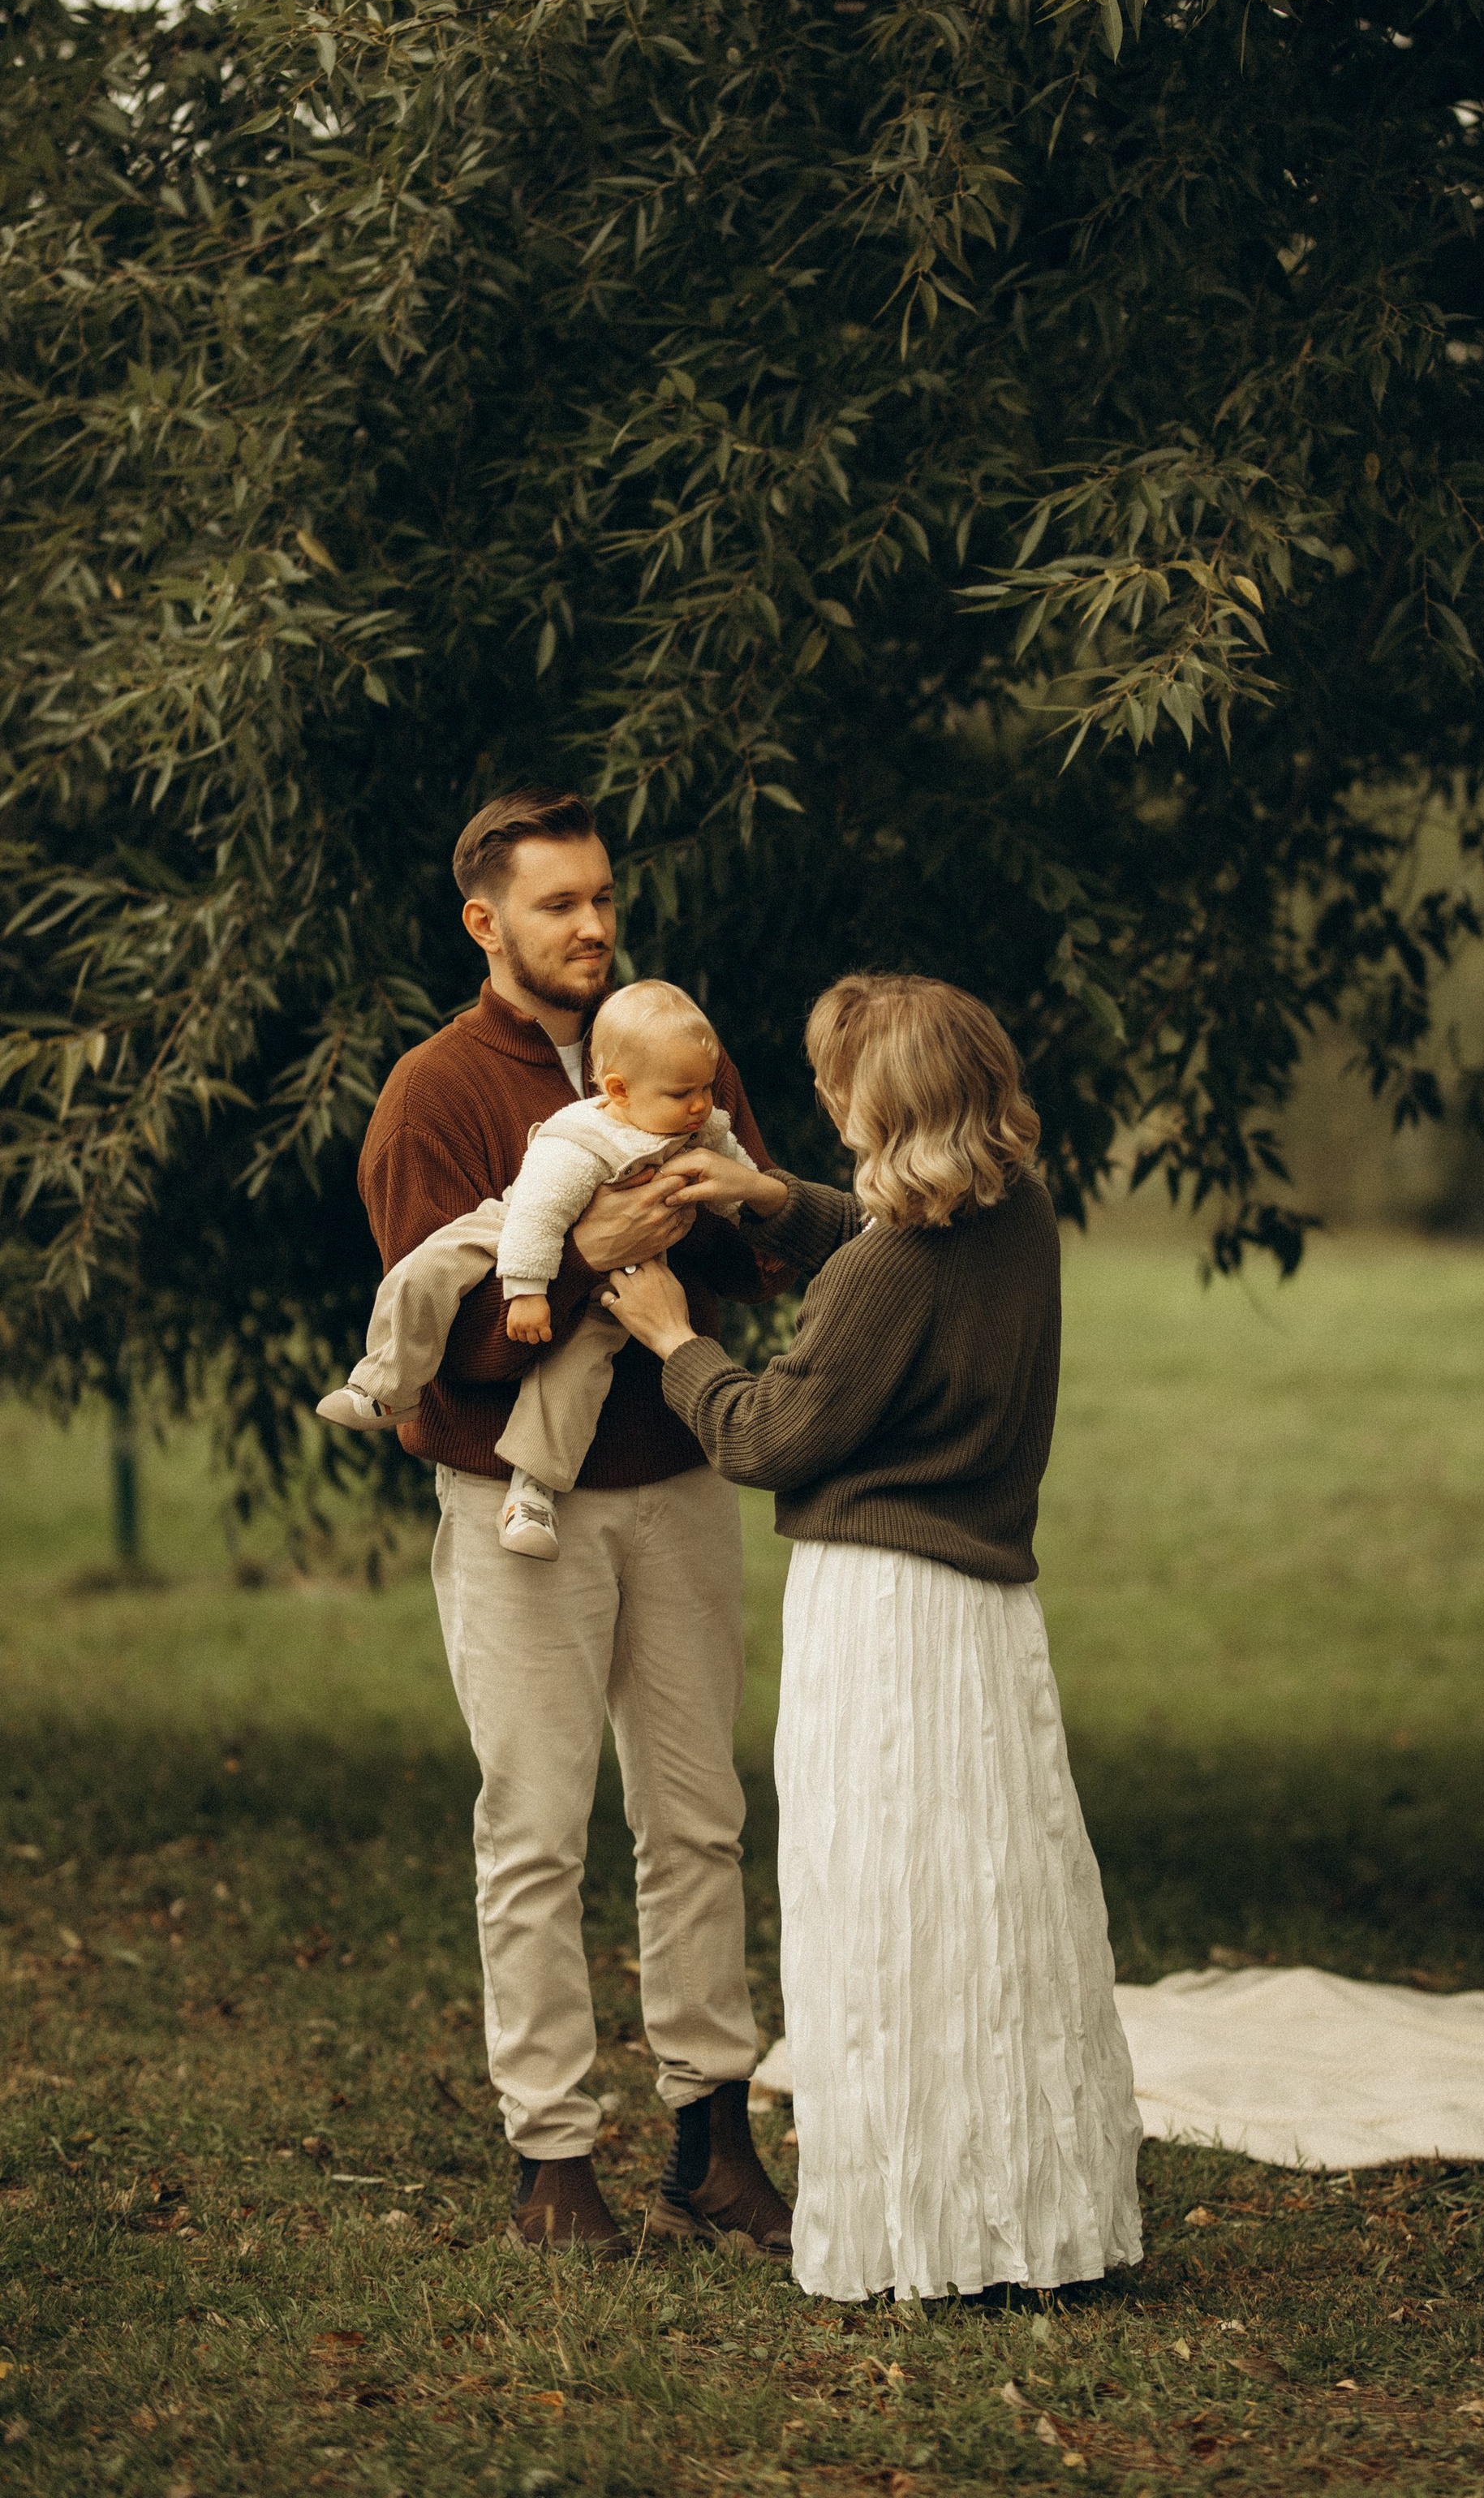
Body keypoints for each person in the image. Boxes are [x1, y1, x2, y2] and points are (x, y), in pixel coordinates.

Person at [604, 970, 1143, 2301]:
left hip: (886, 1620)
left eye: (841, 1094)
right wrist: (765, 1197)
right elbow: (891, 1235)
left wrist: (676, 1340)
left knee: (893, 1908)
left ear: (880, 1112)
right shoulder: (1019, 1215)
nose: (826, 1109)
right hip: (988, 1620)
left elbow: (765, 1434)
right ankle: (1031, 2212)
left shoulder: (880, 1281)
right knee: (993, 1911)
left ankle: (922, 2227)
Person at [355, 786, 794, 2262]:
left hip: (674, 1481)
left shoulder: (677, 1047)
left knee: (699, 1818)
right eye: (559, 904)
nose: (594, 924)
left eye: (603, 897)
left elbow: (760, 1243)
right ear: (486, 923)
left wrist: (724, 1218)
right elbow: (435, 1344)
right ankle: (551, 2153)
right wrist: (586, 1250)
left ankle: (712, 2135)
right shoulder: (434, 1094)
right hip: (514, 1508)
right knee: (535, 1826)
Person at [317, 977, 753, 1561]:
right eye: (684, 1094)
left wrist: (753, 1196)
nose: (702, 1105)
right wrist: (527, 1290)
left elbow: (738, 1170)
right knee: (432, 1266)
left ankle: (532, 1492)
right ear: (619, 1091)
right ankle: (389, 1380)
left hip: (625, 1280)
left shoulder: (693, 1118)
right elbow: (539, 1215)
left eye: (706, 1088)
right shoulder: (582, 1136)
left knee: (577, 1370)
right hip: (513, 1227)